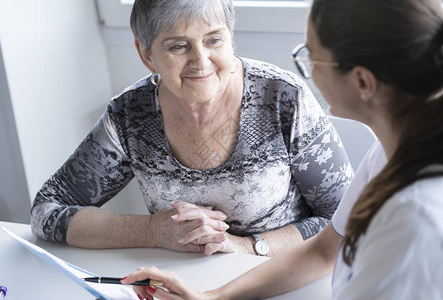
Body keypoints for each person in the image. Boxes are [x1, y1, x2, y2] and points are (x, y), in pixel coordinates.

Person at [121, 0, 443, 299]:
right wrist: (211, 297)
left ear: (361, 82)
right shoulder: (390, 151)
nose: (305, 72)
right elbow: (323, 250)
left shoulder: (416, 220)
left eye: (310, 56)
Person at [30, 0, 352, 258]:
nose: (201, 60)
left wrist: (247, 246)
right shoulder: (130, 114)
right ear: (146, 54)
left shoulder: (283, 98)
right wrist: (151, 231)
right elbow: (47, 209)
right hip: (185, 286)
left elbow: (349, 217)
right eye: (178, 46)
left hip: (285, 276)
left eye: (214, 40)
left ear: (230, 37)